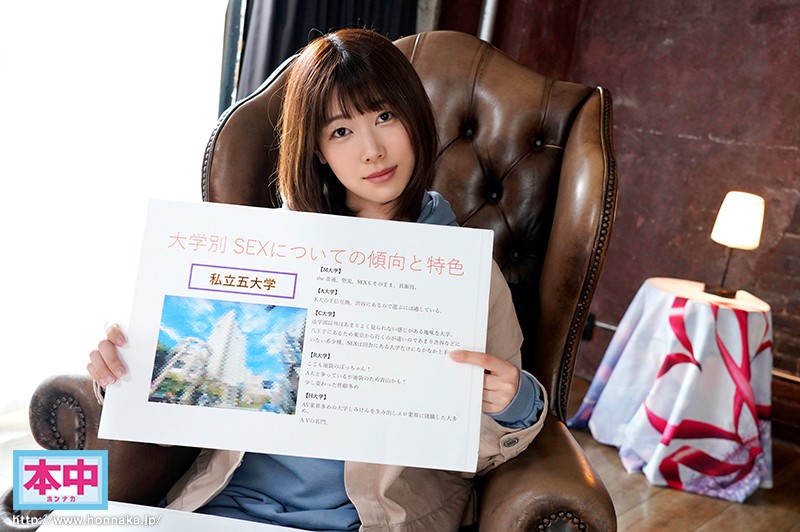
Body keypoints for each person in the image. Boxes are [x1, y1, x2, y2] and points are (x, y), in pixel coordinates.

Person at [88, 28, 547, 532]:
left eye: (385, 117)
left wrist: (516, 403)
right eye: (341, 131)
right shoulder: (262, 249)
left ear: (416, 117)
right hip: (227, 505)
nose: (372, 150)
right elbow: (187, 398)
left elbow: (473, 454)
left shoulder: (465, 271)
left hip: (368, 520)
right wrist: (125, 373)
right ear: (318, 149)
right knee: (61, 513)